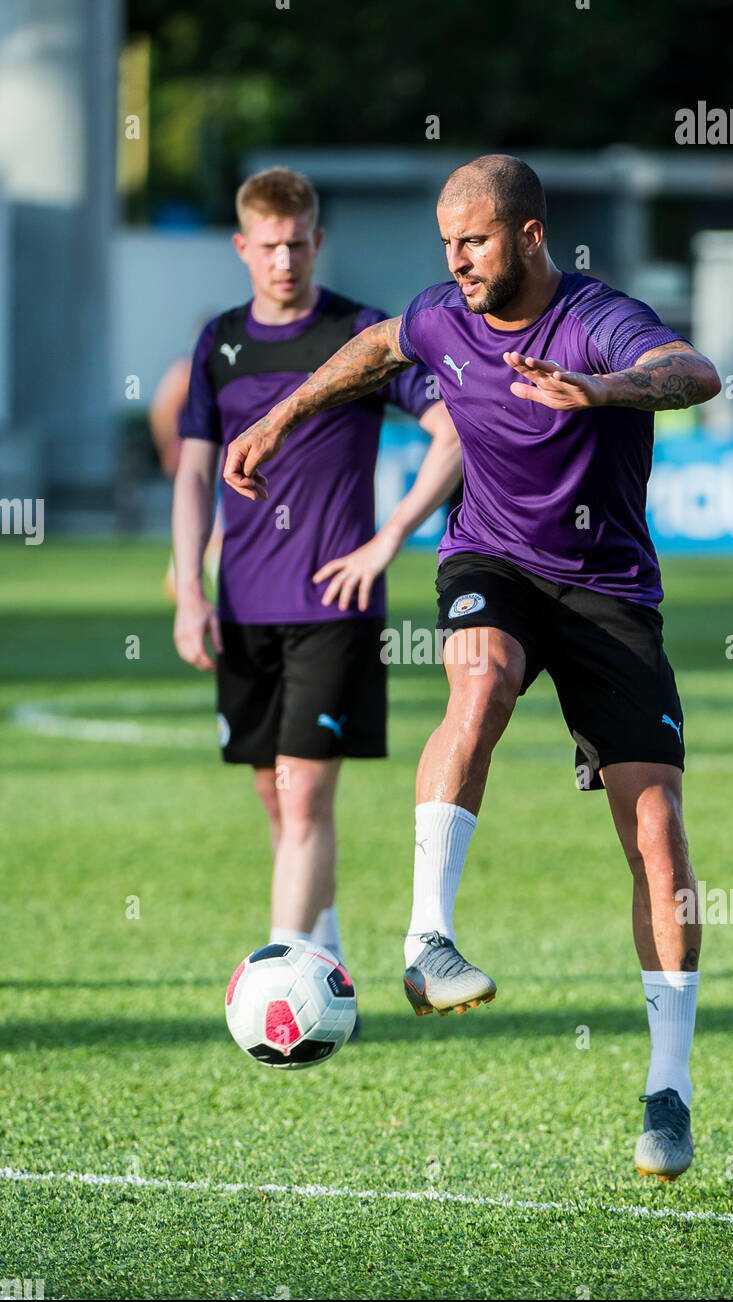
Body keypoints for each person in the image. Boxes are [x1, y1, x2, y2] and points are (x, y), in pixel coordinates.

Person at [221, 155, 721, 1179]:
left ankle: (666, 1089)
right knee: (480, 677)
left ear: (529, 237)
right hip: (488, 555)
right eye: (446, 241)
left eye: (475, 240)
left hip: (608, 590)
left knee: (657, 835)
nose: (455, 260)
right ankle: (426, 940)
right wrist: (278, 417)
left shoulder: (595, 317)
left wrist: (602, 387)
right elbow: (368, 350)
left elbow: (693, 373)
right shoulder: (441, 315)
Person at [172, 167, 462, 998]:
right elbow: (194, 475)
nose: (284, 261)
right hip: (243, 606)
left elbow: (451, 430)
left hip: (334, 605)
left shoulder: (360, 334)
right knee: (274, 797)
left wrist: (387, 540)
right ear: (242, 247)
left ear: (317, 241)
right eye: (268, 247)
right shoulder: (217, 343)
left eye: (297, 245)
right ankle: (326, 963)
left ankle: (282, 991)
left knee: (303, 800)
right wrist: (191, 588)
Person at [150, 349, 223, 600]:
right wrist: (168, 448)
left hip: (222, 453)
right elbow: (163, 411)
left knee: (215, 513)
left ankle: (183, 572)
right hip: (196, 453)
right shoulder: (186, 371)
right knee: (203, 510)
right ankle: (183, 572)